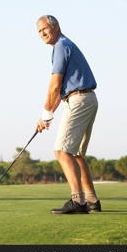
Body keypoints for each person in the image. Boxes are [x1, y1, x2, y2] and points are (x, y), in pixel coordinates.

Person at [35, 15, 101, 214]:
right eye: (39, 31)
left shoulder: (61, 46)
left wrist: (45, 112)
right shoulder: (63, 45)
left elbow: (55, 86)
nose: (42, 34)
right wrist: (48, 115)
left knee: (62, 151)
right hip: (86, 99)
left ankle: (78, 202)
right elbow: (61, 90)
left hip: (79, 100)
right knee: (76, 154)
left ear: (56, 27)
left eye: (45, 29)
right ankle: (91, 201)